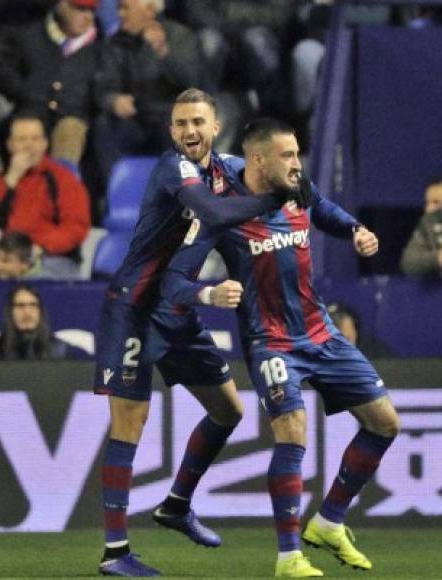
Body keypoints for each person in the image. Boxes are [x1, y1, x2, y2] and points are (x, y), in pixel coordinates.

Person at [161, 119, 400, 577]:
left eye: (297, 154)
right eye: (287, 155)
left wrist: (354, 229)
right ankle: (289, 556)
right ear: (257, 160)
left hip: (321, 332)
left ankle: (329, 522)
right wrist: (208, 294)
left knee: (385, 423)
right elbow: (174, 278)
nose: (297, 164)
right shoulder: (223, 211)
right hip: (270, 340)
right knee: (292, 429)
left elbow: (323, 208)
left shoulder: (298, 188)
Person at [93, 89, 302, 577]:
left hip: (177, 308)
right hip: (136, 308)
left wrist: (296, 182)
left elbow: (268, 168)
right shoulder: (175, 169)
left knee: (228, 409)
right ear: (172, 131)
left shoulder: (226, 167)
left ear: (215, 128)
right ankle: (115, 551)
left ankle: (176, 505)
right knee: (130, 424)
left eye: (198, 123)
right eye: (181, 123)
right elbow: (214, 213)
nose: (189, 131)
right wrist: (275, 195)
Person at [93, 0, 204, 184]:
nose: (120, 14)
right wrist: (113, 101)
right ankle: (118, 191)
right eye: (119, 7)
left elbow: (192, 83)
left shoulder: (180, 36)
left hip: (168, 119)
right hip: (134, 120)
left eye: (125, 8)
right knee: (103, 126)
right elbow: (102, 87)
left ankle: (179, 198)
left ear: (150, 10)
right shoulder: (116, 42)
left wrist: (163, 52)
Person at [0, 114, 91, 281]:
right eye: (22, 139)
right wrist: (11, 178)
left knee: (31, 280)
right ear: (10, 145)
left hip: (51, 258)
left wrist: (34, 250)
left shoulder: (63, 179)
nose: (29, 145)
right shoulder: (1, 179)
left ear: (44, 144)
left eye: (35, 139)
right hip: (8, 259)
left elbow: (75, 227)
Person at [0, 0, 103, 164]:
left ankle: (61, 186)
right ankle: (14, 187)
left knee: (70, 128)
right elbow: (2, 68)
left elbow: (106, 89)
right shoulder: (31, 34)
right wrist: (25, 93)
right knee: (25, 131)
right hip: (30, 112)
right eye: (80, 9)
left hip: (74, 118)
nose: (88, 17)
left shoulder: (101, 46)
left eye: (91, 11)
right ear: (62, 6)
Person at [0, 284, 74, 360]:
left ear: (40, 311)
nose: (27, 312)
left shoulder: (60, 351)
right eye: (20, 305)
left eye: (33, 305)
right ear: (10, 312)